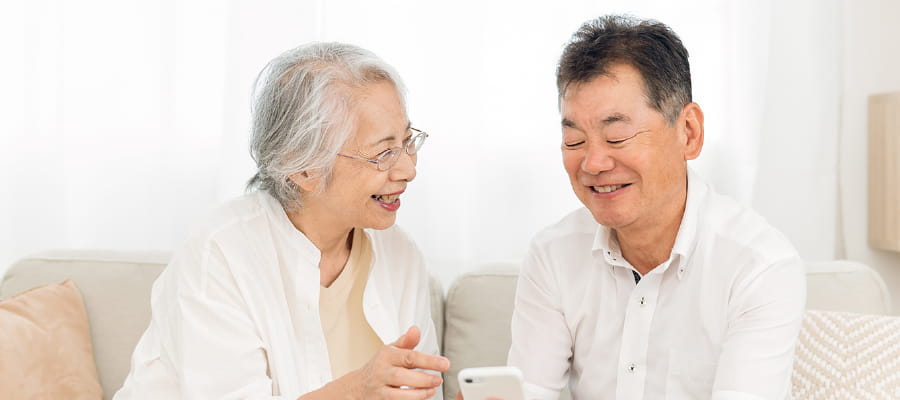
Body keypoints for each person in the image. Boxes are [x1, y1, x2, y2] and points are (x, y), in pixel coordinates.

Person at [114, 42, 448, 400]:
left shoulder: (399, 253)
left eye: (407, 141)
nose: (409, 169)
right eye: (384, 153)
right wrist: (358, 390)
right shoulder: (222, 253)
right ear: (303, 166)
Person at [502, 15, 805, 400]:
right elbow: (532, 390)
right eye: (574, 141)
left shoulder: (759, 265)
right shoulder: (552, 254)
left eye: (617, 135)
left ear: (688, 132)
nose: (593, 163)